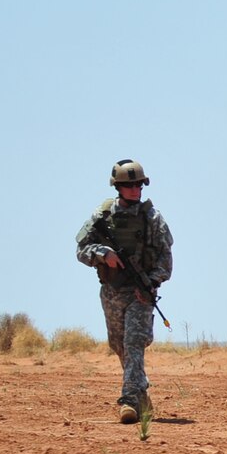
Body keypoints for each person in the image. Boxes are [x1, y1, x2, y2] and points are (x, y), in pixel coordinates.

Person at [76, 159, 173, 424]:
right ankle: (141, 391)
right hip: (111, 291)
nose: (134, 189)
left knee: (133, 342)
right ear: (118, 187)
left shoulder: (152, 218)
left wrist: (151, 283)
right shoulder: (102, 215)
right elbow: (80, 250)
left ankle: (129, 399)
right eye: (128, 185)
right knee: (118, 345)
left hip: (140, 293)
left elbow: (165, 260)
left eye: (138, 184)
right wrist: (101, 253)